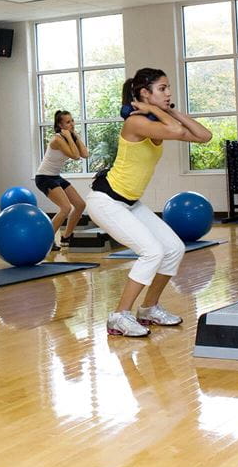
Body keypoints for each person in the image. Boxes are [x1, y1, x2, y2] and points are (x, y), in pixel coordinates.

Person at [85, 68, 212, 338]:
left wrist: (170, 110)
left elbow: (204, 136)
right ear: (145, 93)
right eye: (162, 89)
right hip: (106, 201)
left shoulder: (157, 122)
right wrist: (152, 110)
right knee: (152, 251)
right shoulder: (135, 122)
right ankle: (119, 316)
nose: (168, 93)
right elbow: (176, 130)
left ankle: (149, 308)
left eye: (168, 89)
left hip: (129, 203)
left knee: (174, 248)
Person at [35, 110, 88, 250]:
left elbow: (85, 154)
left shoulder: (69, 136)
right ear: (60, 125)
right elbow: (75, 156)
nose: (72, 124)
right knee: (65, 208)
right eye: (68, 122)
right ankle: (46, 240)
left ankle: (66, 237)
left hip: (55, 176)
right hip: (44, 177)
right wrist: (70, 138)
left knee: (80, 205)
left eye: (72, 121)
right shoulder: (57, 139)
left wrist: (75, 136)